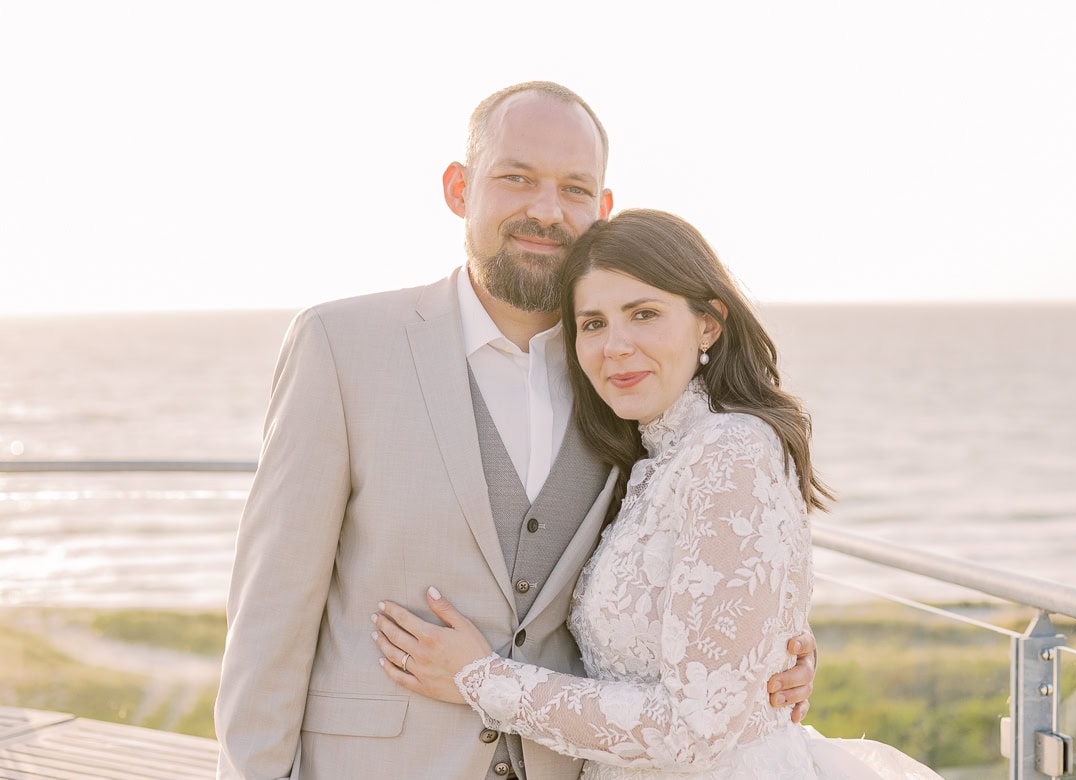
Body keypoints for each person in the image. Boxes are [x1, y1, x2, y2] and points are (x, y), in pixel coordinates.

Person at [214, 82, 816, 780]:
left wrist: (776, 649)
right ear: (458, 188)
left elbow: (706, 577)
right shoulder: (340, 345)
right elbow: (271, 614)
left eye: (573, 188)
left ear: (602, 210)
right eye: (517, 178)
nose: (544, 209)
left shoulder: (629, 387)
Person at [371, 210, 945, 778]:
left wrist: (481, 680)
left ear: (709, 324)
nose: (615, 346)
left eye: (643, 314)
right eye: (592, 323)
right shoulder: (653, 460)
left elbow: (692, 731)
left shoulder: (729, 449)